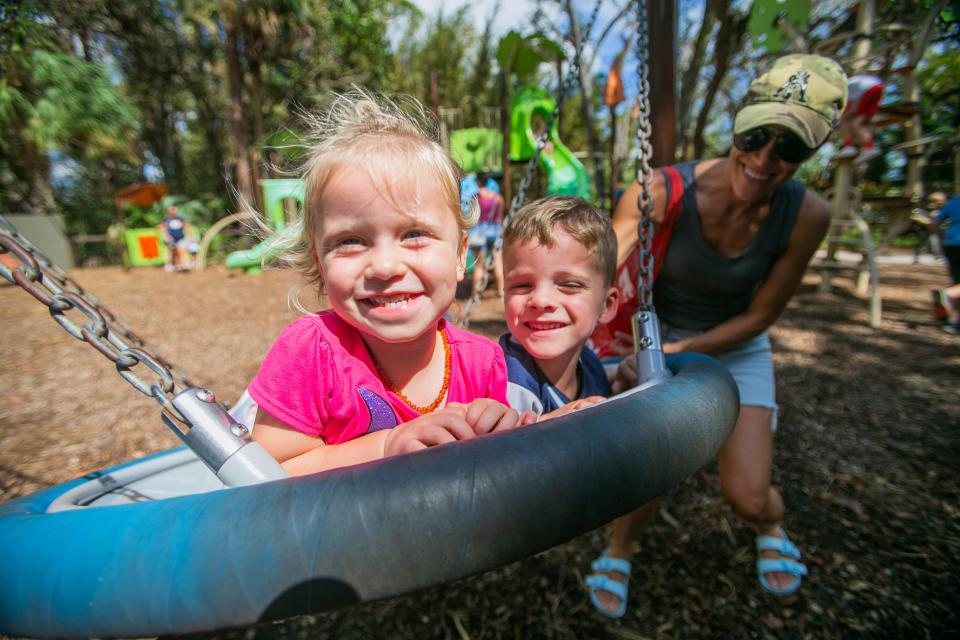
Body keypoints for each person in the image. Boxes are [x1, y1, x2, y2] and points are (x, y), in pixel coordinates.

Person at [585, 54, 847, 617]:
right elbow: (592, 273)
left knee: (747, 494)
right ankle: (621, 548)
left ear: (813, 152)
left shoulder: (808, 216)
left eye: (791, 148)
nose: (763, 159)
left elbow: (760, 318)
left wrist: (680, 355)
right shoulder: (660, 190)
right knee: (647, 469)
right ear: (739, 122)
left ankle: (770, 525)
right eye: (755, 135)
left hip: (737, 342)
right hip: (659, 330)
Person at [248, 91, 525, 476]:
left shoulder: (483, 364)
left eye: (413, 233)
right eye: (350, 241)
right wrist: (388, 444)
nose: (384, 266)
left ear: (460, 254)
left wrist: (499, 431)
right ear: (319, 261)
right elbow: (269, 471)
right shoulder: (312, 354)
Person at [498, 196, 619, 417]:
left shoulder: (590, 364)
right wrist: (552, 422)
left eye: (570, 285)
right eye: (522, 285)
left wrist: (621, 373)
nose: (541, 300)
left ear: (606, 305)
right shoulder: (508, 380)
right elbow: (499, 446)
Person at [468, 172, 506, 301]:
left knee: (479, 265)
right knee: (498, 263)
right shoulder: (498, 198)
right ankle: (501, 292)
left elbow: (471, 217)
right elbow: (499, 218)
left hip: (479, 233)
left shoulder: (476, 197)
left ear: (478, 181)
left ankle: (475, 294)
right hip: (495, 232)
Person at [929, 192, 960, 334]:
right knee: (955, 289)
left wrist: (939, 237)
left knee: (957, 282)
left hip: (951, 245)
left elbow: (934, 221)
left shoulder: (954, 201)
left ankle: (954, 323)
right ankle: (947, 294)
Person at [837, 74, 884, 164]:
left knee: (843, 120)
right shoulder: (850, 84)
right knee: (856, 123)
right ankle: (869, 148)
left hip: (868, 90)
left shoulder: (842, 89)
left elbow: (847, 107)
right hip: (878, 88)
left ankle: (848, 147)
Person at [158, 205, 193, 272]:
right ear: (169, 212)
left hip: (180, 238)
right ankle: (169, 265)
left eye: (174, 210)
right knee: (170, 252)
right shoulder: (167, 219)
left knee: (182, 251)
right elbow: (161, 227)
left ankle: (184, 264)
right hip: (171, 239)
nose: (174, 212)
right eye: (172, 210)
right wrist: (166, 235)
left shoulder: (181, 219)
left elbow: (186, 226)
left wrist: (189, 236)